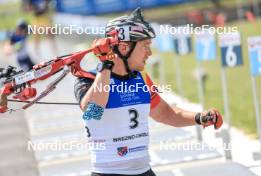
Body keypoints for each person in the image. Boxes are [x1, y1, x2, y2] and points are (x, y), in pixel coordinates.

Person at [74, 8, 223, 176]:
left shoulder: (142, 78)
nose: (150, 53)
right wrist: (106, 66)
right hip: (108, 172)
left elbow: (165, 113)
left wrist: (199, 117)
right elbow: (93, 112)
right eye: (145, 46)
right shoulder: (90, 78)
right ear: (124, 48)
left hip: (144, 171)